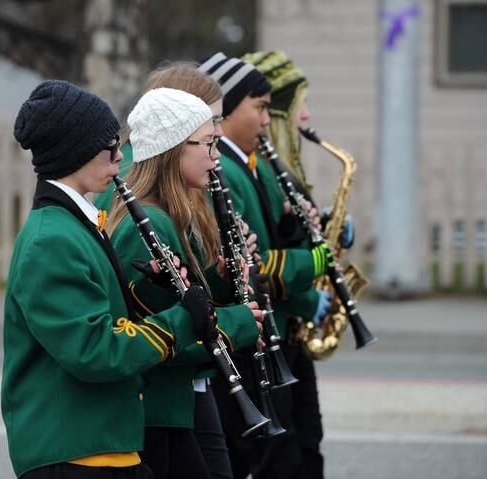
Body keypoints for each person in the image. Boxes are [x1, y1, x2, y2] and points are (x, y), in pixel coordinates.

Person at [3, 79, 218, 479]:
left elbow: (105, 315)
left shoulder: (77, 225)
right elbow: (92, 350)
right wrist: (180, 321)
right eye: (110, 146)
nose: (121, 155)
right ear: (78, 152)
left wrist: (155, 295)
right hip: (74, 451)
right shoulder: (51, 239)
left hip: (104, 445)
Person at [108, 87, 264, 479]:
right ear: (175, 147)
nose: (216, 158)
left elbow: (190, 301)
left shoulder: (173, 216)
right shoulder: (148, 225)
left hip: (176, 401)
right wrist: (239, 326)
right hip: (155, 409)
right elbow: (158, 336)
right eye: (209, 144)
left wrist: (226, 284)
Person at [199, 52, 330, 479]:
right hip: (252, 335)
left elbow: (271, 233)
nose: (266, 119)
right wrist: (311, 263)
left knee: (301, 449)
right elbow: (256, 264)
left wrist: (311, 226)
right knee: (272, 458)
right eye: (259, 107)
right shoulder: (227, 172)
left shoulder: (251, 165)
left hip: (270, 329)